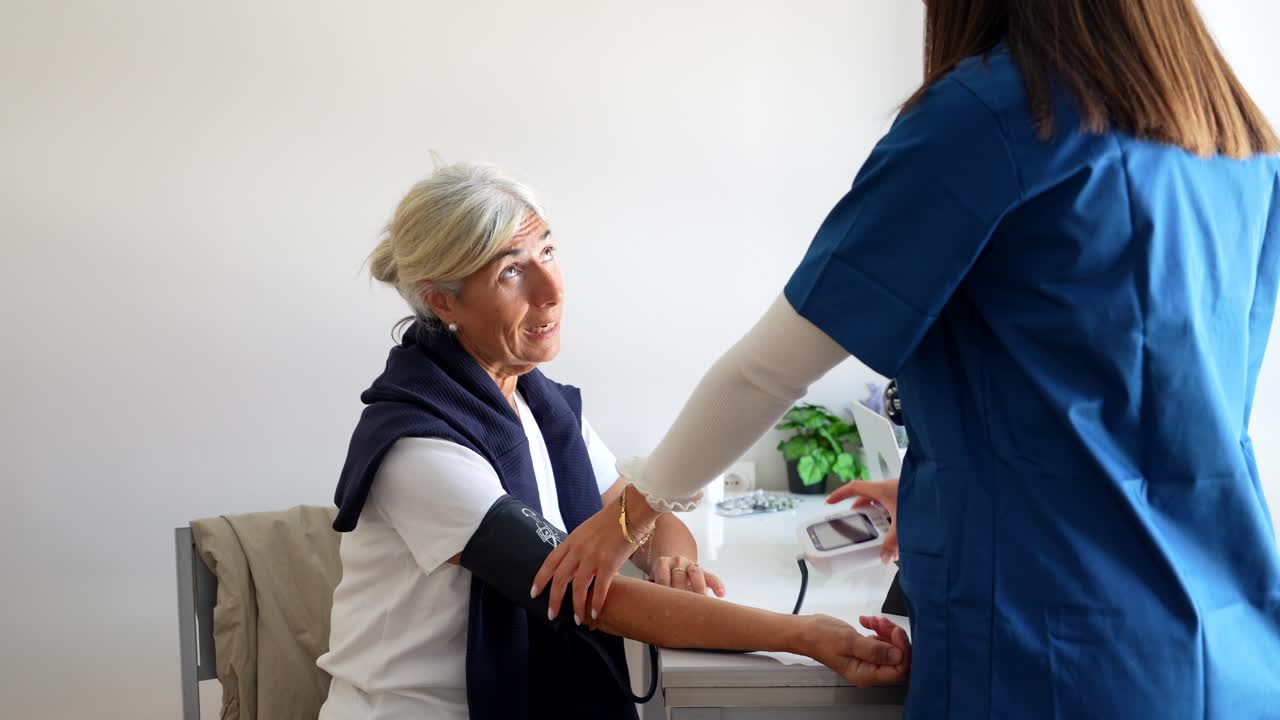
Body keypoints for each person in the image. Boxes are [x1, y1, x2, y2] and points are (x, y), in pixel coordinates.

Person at [534, 1, 1280, 717]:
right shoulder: (1235, 137)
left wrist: (627, 515)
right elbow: (1162, 411)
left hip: (1058, 652)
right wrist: (945, 488)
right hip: (1229, 644)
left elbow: (769, 370)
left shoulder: (994, 116)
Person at [316, 161, 910, 720]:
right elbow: (591, 597)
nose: (552, 289)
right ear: (442, 300)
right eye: (511, 271)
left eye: (548, 251)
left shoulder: (538, 405)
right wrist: (804, 634)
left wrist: (674, 561)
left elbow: (636, 506)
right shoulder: (418, 445)